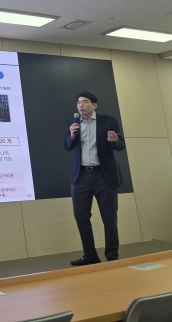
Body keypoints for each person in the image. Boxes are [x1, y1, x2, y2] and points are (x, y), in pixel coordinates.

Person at [64, 91, 125, 266]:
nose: (80, 105)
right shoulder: (73, 122)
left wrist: (114, 141)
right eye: (78, 102)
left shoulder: (108, 121)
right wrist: (72, 135)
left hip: (103, 175)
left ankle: (112, 256)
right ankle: (90, 255)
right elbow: (67, 146)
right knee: (80, 216)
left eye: (85, 102)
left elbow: (120, 145)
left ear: (94, 105)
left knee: (109, 218)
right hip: (81, 176)